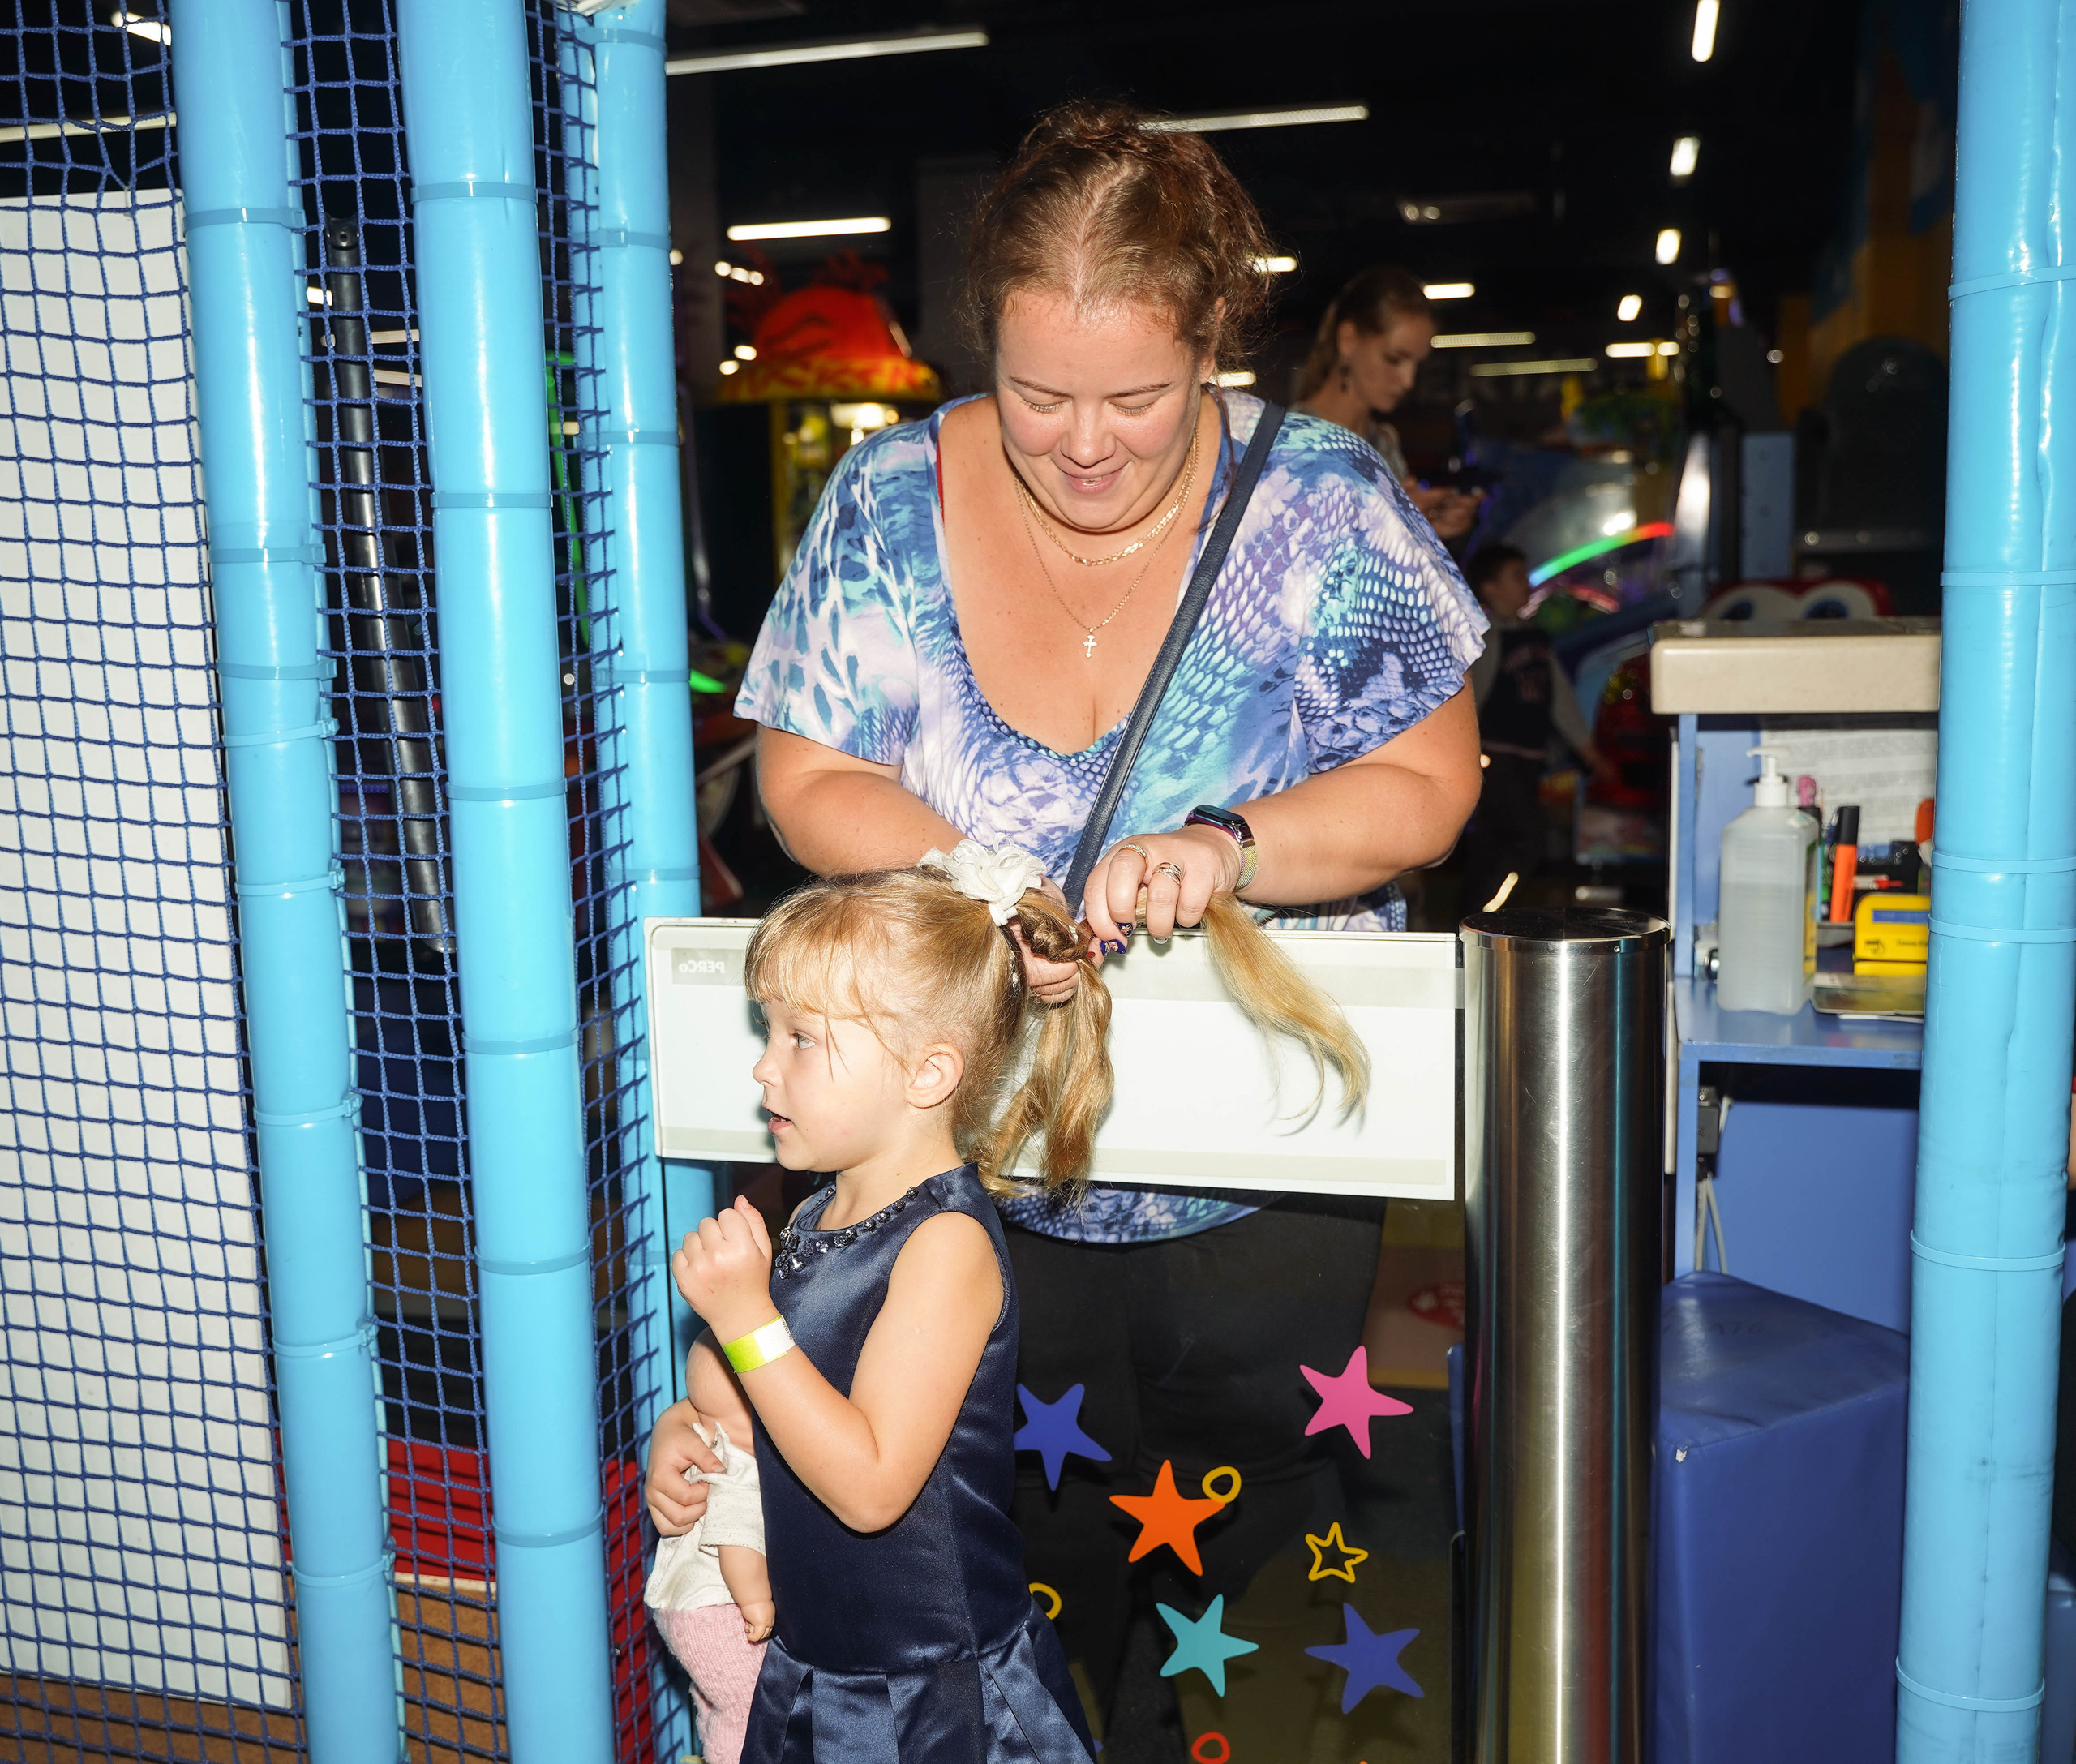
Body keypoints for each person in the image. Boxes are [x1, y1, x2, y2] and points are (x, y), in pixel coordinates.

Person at [701, 99, 1486, 1721]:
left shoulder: (1324, 500)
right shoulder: (889, 495)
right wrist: (964, 866)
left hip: (1262, 1174)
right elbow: (800, 770)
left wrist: (1237, 844)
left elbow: (1430, 780)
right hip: (964, 1173)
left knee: (1248, 1587)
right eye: (1035, 394)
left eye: (1136, 398)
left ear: (1214, 340)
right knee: (1002, 1577)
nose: (1080, 444)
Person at [645, 845, 1364, 1761]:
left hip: (929, 1700)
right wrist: (699, 1425)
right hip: (819, 1670)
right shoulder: (818, 1212)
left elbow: (869, 1486)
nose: (763, 1069)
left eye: (801, 1038)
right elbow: (795, 1386)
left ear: (927, 1073)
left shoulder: (943, 1246)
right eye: (768, 1032)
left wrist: (746, 1321)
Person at [1456, 542, 1614, 914]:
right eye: (1515, 576)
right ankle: (1487, 915)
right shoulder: (1481, 638)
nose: (1525, 584)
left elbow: (1560, 699)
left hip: (1528, 757)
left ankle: (1472, 917)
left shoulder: (1536, 638)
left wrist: (1587, 749)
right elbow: (1466, 698)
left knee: (1497, 841)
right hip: (1493, 755)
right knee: (1525, 839)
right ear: (1490, 587)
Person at [1295, 265, 1483, 542]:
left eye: (1417, 364)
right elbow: (1296, 548)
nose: (1408, 381)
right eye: (1394, 359)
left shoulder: (1384, 442)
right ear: (1348, 340)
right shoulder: (1293, 440)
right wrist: (1389, 518)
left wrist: (1426, 527)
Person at [643, 1402, 771, 1764]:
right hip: (719, 1610)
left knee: (714, 1701)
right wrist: (757, 1602)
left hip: (685, 1605)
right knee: (749, 1706)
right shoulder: (740, 1460)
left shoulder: (706, 1439)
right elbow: (736, 1543)